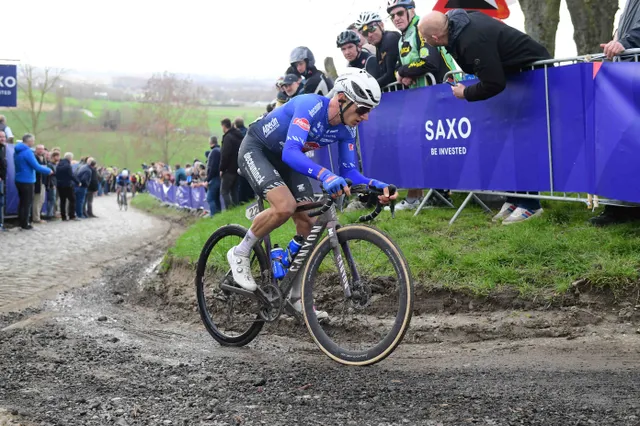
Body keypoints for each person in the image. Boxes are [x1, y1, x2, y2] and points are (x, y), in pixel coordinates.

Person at [227, 68, 397, 319]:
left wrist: (376, 185)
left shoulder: (347, 128)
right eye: (362, 109)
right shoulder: (309, 106)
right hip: (258, 150)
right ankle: (240, 251)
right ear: (342, 99)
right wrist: (326, 176)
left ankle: (296, 299)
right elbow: (291, 152)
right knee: (285, 206)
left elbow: (350, 172)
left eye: (370, 110)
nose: (366, 117)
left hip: (287, 160)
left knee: (309, 223)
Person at [419, 9, 551, 224]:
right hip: (515, 78)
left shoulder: (471, 40)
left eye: (425, 39)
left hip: (532, 76)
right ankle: (514, 198)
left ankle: (530, 204)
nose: (425, 42)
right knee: (506, 141)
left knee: (522, 141)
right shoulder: (456, 28)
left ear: (435, 37)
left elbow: (493, 83)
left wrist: (466, 93)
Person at [591, 0, 640, 226]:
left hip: (632, 71)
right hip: (627, 73)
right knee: (620, 142)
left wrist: (625, 42)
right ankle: (620, 208)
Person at [13, 134, 53, 230]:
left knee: (22, 202)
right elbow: (36, 166)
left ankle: (21, 222)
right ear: (29, 141)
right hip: (27, 180)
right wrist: (48, 170)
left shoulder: (17, 151)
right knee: (27, 203)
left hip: (18, 179)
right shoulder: (27, 152)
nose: (33, 142)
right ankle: (26, 224)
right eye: (33, 141)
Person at [355, 11, 401, 88]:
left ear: (381, 25)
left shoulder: (390, 39)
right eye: (365, 33)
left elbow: (390, 74)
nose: (369, 35)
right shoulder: (379, 46)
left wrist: (369, 88)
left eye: (372, 29)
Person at [219, 118, 243, 209]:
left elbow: (225, 155)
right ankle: (236, 208)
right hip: (237, 167)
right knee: (234, 191)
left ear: (224, 126)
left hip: (228, 169)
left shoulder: (228, 138)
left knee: (224, 191)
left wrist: (222, 169)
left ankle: (229, 209)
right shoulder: (238, 136)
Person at [0, 131, 6, 231]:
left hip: (2, 179)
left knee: (1, 202)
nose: (2, 138)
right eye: (0, 137)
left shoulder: (3, 148)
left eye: (3, 137)